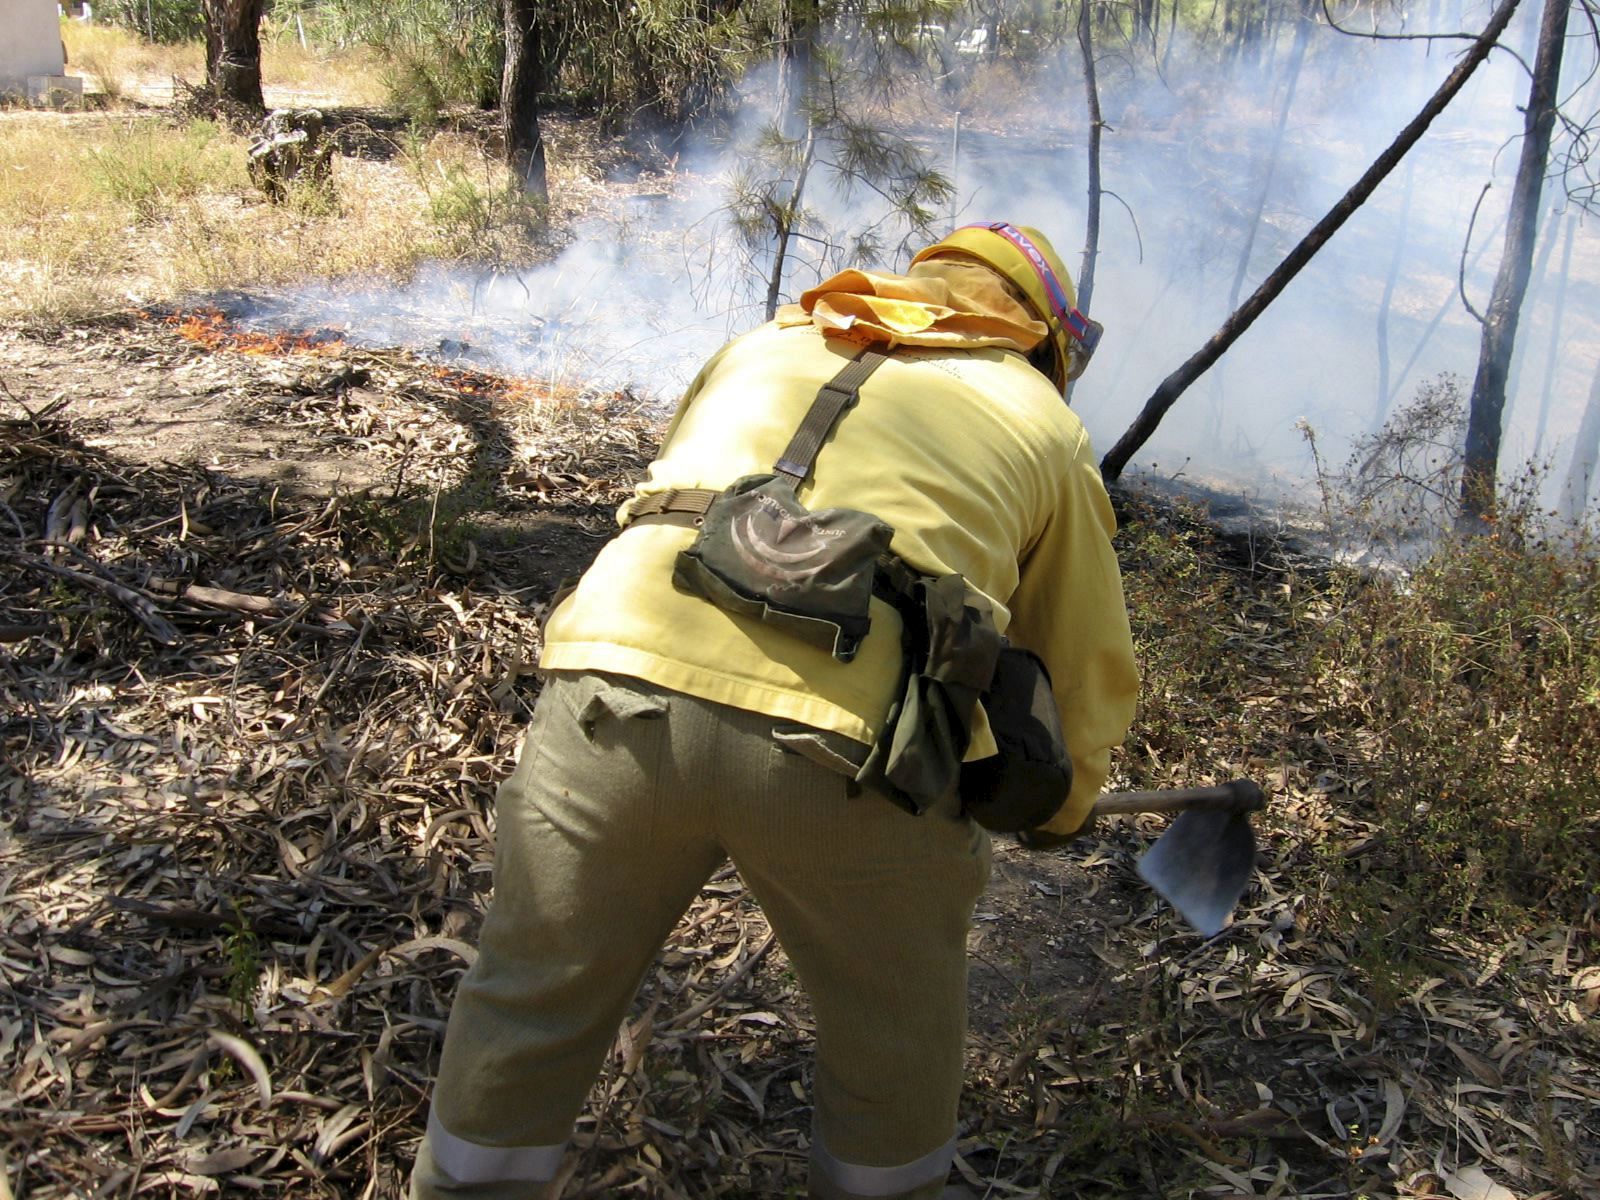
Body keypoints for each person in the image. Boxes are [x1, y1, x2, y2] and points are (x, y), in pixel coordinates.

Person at [410, 222, 1139, 1200]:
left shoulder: (762, 343)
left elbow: (692, 498)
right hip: (851, 751)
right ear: (1043, 338)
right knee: (893, 1049)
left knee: (530, 996)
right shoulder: (1042, 424)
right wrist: (1056, 810)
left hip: (610, 692)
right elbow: (1079, 665)